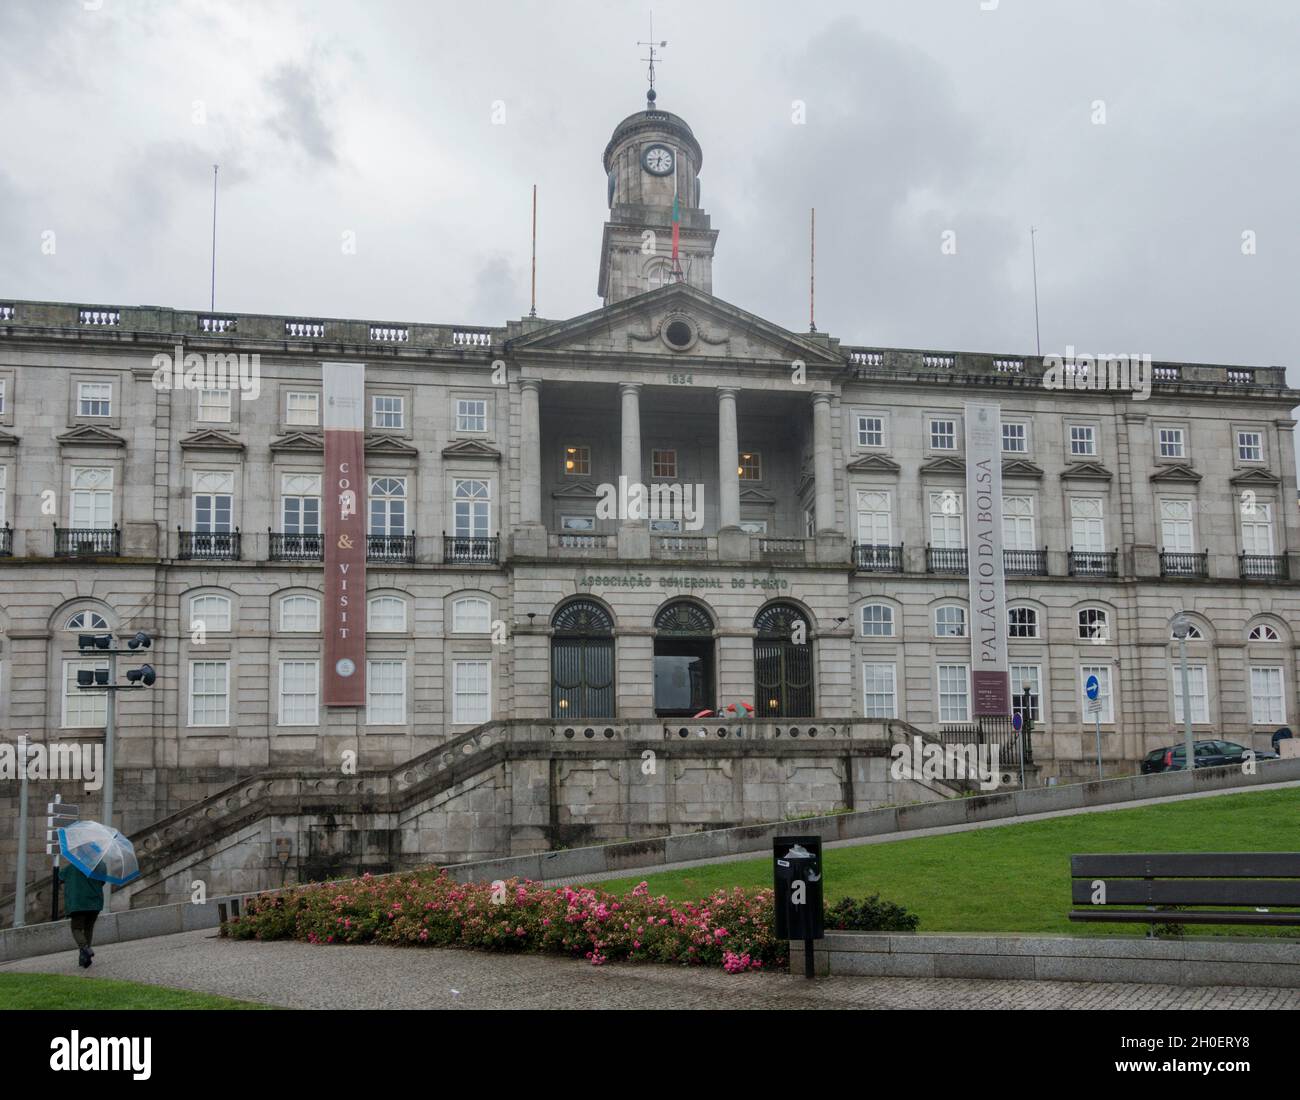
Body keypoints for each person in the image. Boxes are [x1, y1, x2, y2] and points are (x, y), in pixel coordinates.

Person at [60, 861, 104, 968]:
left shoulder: (73, 865)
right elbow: (102, 882)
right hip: (95, 902)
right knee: (89, 929)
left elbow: (61, 877)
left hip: (78, 903)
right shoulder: (101, 865)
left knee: (76, 928)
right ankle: (85, 957)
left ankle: (85, 948)